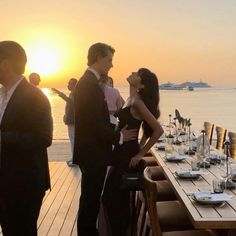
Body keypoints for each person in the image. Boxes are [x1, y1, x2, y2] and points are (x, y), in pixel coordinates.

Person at [73, 42, 137, 236]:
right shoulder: (89, 85)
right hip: (93, 152)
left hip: (91, 151)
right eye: (109, 60)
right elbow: (93, 124)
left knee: (91, 198)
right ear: (98, 58)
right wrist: (119, 136)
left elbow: (96, 120)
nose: (111, 64)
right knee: (90, 199)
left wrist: (115, 129)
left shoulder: (89, 83)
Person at [101, 68, 164, 236]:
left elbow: (158, 130)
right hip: (121, 150)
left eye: (137, 74)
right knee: (114, 197)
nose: (132, 73)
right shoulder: (132, 96)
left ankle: (120, 232)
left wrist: (140, 152)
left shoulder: (138, 102)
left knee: (113, 197)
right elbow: (141, 127)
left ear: (141, 85)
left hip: (127, 154)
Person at [0, 41, 53, 236]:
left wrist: (1, 139)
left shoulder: (34, 96)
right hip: (4, 180)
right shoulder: (2, 94)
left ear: (5, 64)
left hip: (24, 182)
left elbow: (43, 137)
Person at [51, 78, 77, 166]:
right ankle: (74, 158)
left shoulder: (74, 94)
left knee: (73, 140)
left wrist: (60, 93)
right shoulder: (73, 94)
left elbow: (71, 103)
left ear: (74, 85)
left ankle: (74, 159)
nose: (67, 85)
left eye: (69, 84)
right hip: (72, 120)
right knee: (73, 140)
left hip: (72, 121)